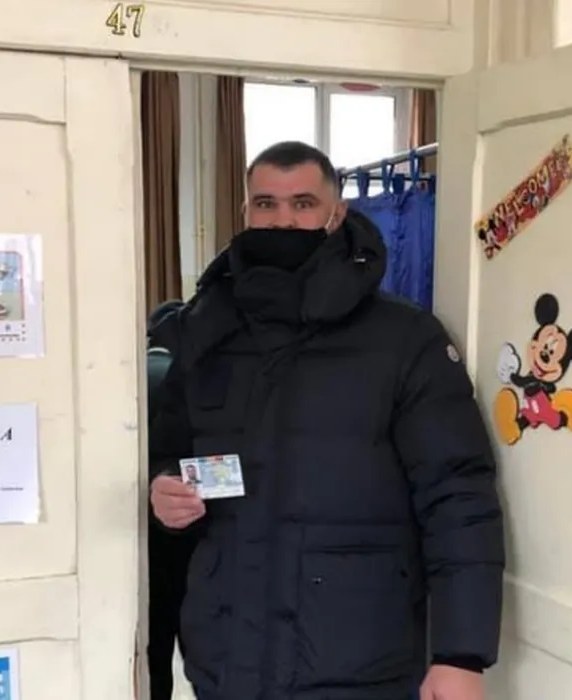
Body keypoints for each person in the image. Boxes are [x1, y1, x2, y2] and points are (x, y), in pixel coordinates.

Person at [149, 141, 505, 700]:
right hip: (227, 656)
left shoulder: (404, 339)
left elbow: (457, 495)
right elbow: (167, 452)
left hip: (358, 660)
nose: (283, 221)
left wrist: (461, 654)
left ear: (336, 214)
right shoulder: (208, 331)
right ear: (245, 212)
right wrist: (163, 490)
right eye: (266, 204)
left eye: (303, 204)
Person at [146, 300, 198, 700]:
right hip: (192, 532)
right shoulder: (191, 378)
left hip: (147, 534)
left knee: (154, 643)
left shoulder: (130, 377)